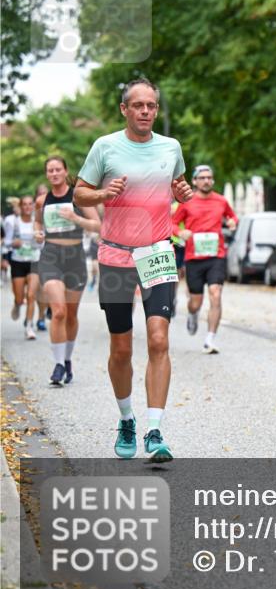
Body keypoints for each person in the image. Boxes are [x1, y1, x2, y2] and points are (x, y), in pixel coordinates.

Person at [74, 77, 192, 463]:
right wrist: (102, 193)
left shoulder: (171, 147)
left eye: (151, 105)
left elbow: (177, 186)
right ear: (124, 109)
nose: (145, 111)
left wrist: (182, 193)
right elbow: (79, 193)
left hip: (157, 252)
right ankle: (127, 418)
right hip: (115, 256)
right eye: (138, 105)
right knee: (121, 347)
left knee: (159, 340)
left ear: (156, 109)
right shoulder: (105, 146)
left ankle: (155, 430)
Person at [34, 156, 102, 385]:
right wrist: (38, 233)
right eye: (50, 170)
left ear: (65, 171)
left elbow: (98, 225)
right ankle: (58, 364)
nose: (54, 174)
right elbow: (37, 222)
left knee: (71, 315)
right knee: (59, 312)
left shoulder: (79, 198)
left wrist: (75, 218)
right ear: (47, 174)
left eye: (57, 170)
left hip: (75, 258)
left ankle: (67, 358)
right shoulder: (42, 200)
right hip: (50, 257)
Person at [171, 164, 237, 354]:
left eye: (209, 177)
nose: (206, 180)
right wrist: (180, 232)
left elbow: (232, 217)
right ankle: (193, 314)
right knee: (196, 302)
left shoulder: (221, 201)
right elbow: (172, 223)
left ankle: (209, 340)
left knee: (215, 293)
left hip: (216, 256)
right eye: (202, 178)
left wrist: (232, 222)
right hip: (194, 258)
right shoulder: (187, 202)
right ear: (194, 181)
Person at [9, 195, 42, 339]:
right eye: (25, 204)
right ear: (21, 206)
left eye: (30, 204)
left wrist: (40, 240)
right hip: (18, 262)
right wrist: (13, 243)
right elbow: (6, 241)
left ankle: (29, 327)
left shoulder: (38, 222)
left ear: (33, 206)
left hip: (34, 261)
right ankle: (17, 304)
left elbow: (43, 242)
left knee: (31, 295)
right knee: (20, 298)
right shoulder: (13, 222)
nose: (28, 207)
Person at [33, 183, 50, 332]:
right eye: (40, 193)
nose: (43, 196)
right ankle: (41, 317)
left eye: (45, 193)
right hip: (33, 254)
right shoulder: (31, 211)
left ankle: (44, 313)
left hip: (51, 255)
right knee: (40, 289)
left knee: (46, 288)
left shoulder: (53, 210)